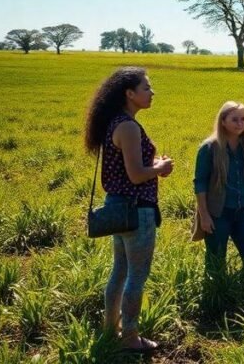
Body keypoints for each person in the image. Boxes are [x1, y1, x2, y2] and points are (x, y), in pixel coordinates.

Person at [84, 67, 173, 354]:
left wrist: (151, 166)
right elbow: (136, 175)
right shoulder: (129, 127)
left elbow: (127, 171)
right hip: (137, 212)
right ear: (129, 94)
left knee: (119, 271)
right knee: (136, 275)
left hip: (117, 209)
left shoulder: (115, 124)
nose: (152, 92)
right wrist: (159, 168)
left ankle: (111, 329)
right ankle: (130, 337)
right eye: (146, 87)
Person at [193, 101, 244, 278]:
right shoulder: (209, 148)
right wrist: (204, 216)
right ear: (223, 121)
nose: (240, 124)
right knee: (216, 261)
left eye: (243, 119)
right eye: (234, 120)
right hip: (218, 212)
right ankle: (217, 295)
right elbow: (200, 183)